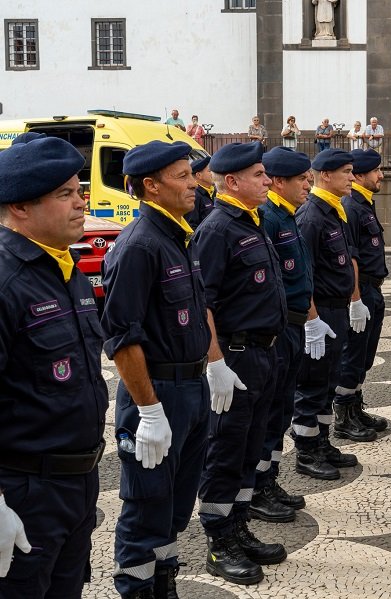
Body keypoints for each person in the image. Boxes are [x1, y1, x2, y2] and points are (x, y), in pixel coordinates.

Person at [102, 141, 210, 598]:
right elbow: (122, 337)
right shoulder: (140, 245)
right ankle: (137, 589)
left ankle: (163, 586)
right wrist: (148, 410)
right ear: (151, 186)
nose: (194, 184)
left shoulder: (176, 235)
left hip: (191, 386)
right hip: (158, 392)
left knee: (174, 506)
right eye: (183, 176)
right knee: (145, 506)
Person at [0, 137, 107, 597]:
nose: (82, 202)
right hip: (25, 491)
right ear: (21, 207)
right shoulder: (7, 282)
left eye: (80, 190)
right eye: (65, 194)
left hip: (76, 482)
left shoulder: (67, 271)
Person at [193, 142, 288, 585]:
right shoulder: (217, 229)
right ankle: (218, 541)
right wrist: (215, 364)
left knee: (250, 446)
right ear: (231, 181)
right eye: (258, 174)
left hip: (263, 352)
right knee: (227, 449)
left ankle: (239, 524)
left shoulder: (251, 222)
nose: (267, 181)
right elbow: (203, 304)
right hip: (235, 355)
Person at [249, 147, 315, 524]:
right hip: (278, 326)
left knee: (281, 410)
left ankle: (269, 479)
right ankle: (258, 487)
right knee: (270, 410)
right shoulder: (269, 219)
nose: (307, 185)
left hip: (293, 324)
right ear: (279, 182)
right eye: (301, 180)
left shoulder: (287, 215)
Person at [292, 148, 360, 479]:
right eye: (346, 171)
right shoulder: (312, 217)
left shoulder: (333, 211)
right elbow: (303, 275)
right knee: (312, 383)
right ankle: (306, 451)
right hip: (321, 312)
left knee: (328, 381)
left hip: (336, 310)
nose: (352, 177)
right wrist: (312, 320)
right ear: (326, 176)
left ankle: (321, 442)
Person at [334, 148, 391, 442]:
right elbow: (351, 258)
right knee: (353, 354)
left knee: (364, 356)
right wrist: (355, 299)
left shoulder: (363, 203)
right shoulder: (352, 207)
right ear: (360, 176)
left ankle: (355, 406)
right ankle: (343, 415)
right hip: (363, 290)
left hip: (373, 289)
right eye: (376, 171)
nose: (381, 175)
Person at [186, 156, 216, 228]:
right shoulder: (194, 196)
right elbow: (192, 225)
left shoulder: (215, 192)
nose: (213, 173)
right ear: (199, 175)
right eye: (209, 171)